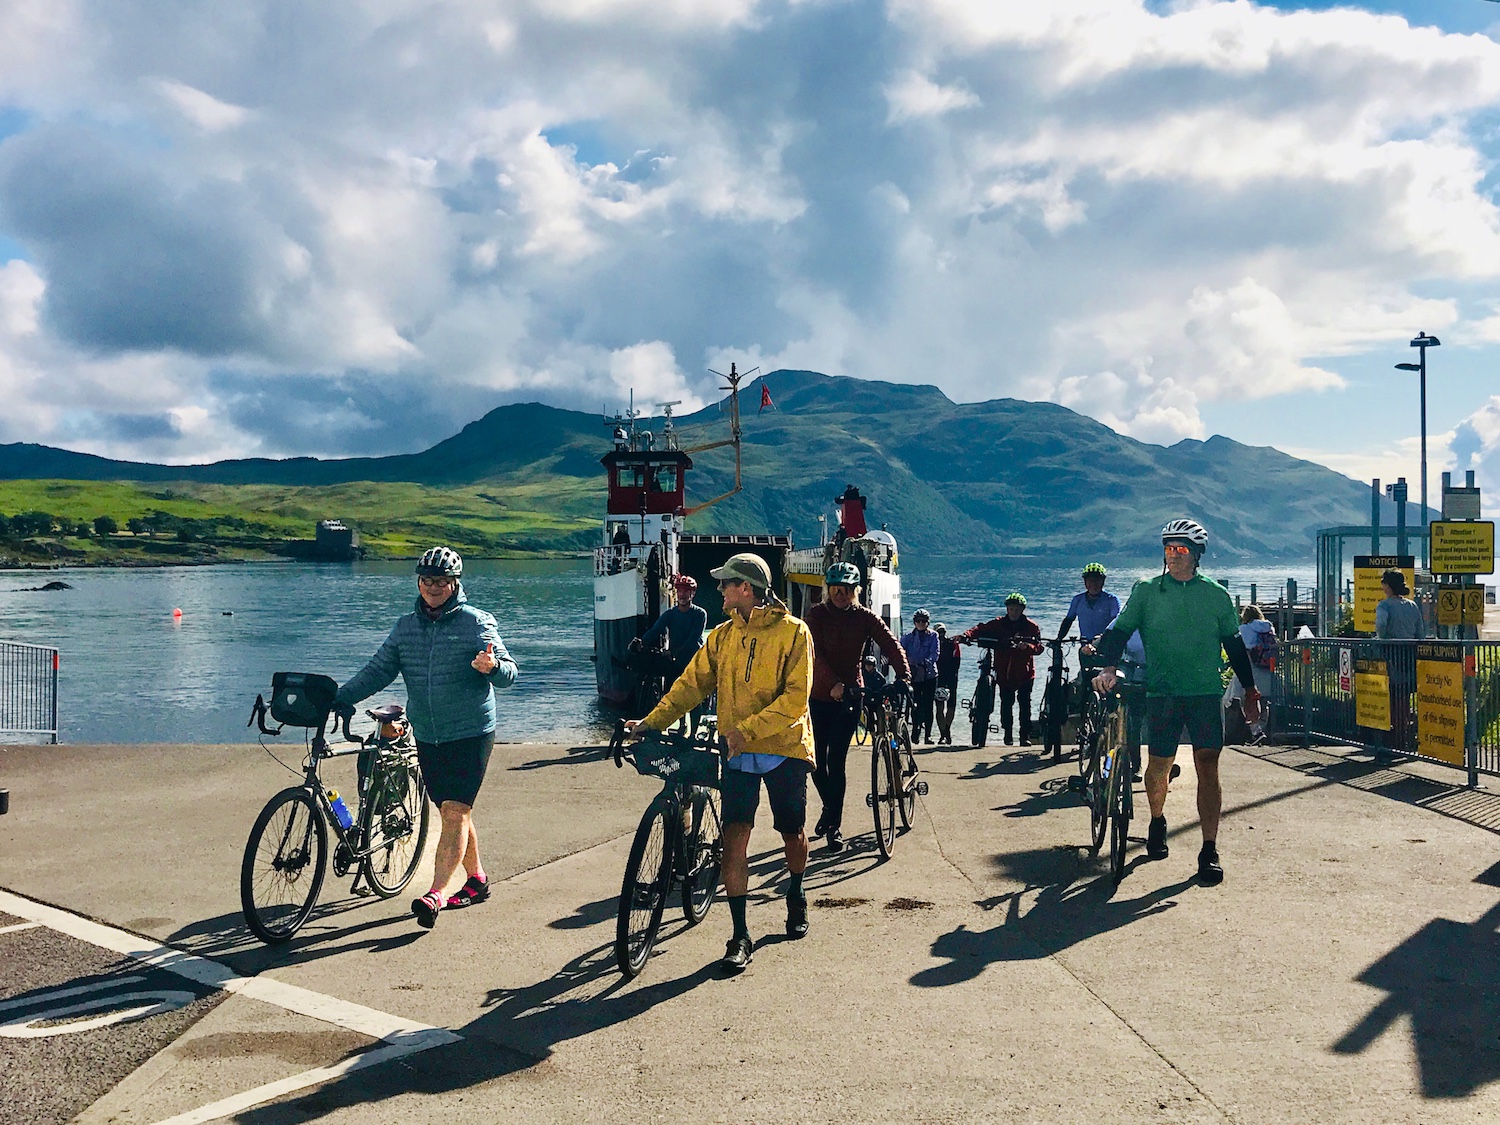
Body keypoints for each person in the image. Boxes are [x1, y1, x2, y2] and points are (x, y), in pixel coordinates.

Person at [626, 553, 814, 973]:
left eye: (726, 583)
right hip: (737, 752)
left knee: (792, 834)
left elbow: (795, 700)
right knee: (734, 840)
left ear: (745, 588)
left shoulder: (794, 633)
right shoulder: (722, 637)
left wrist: (747, 729)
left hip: (784, 748)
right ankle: (740, 934)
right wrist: (651, 721)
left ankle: (797, 891)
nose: (720, 590)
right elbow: (690, 685)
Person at [335, 547, 518, 929]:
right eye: (427, 580)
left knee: (455, 811)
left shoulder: (477, 623)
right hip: (429, 733)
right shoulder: (406, 628)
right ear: (419, 582)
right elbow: (377, 671)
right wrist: (338, 698)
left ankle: (435, 893)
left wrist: (493, 666)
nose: (433, 588)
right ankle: (478, 879)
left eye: (441, 581)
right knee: (454, 813)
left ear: (455, 584)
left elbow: (510, 674)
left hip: (471, 732)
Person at [1092, 519, 1260, 886]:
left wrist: (1249, 691)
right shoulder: (1148, 591)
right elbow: (1120, 631)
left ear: (1197, 554)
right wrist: (1107, 666)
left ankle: (1209, 849)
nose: (1172, 555)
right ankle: (1156, 819)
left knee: (1208, 766)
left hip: (1204, 692)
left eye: (1180, 549)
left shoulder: (1215, 595)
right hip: (1162, 692)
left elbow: (1233, 645)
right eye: (1168, 548)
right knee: (1159, 765)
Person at [804, 562, 911, 853]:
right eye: (836, 589)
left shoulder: (864, 617)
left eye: (847, 590)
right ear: (828, 590)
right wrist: (832, 683)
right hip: (819, 695)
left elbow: (890, 644)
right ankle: (829, 807)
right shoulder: (816, 615)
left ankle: (834, 825)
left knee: (836, 758)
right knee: (815, 760)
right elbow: (813, 653)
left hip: (852, 694)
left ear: (856, 591)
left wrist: (904, 676)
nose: (841, 594)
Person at [960, 593, 1044, 747]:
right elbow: (980, 628)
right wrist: (966, 635)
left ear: (1022, 610)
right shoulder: (999, 623)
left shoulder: (1031, 626)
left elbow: (1039, 648)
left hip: (1025, 673)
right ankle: (1008, 734)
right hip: (1004, 673)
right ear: (1007, 609)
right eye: (1011, 609)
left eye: (1016, 610)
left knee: (1025, 705)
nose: (1013, 612)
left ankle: (1024, 736)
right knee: (1006, 704)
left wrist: (1028, 647)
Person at [632, 573, 709, 730]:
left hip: (693, 659)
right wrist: (642, 641)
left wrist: (673, 652)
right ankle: (681, 726)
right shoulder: (670, 614)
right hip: (676, 660)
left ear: (692, 594)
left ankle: (693, 732)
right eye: (680, 591)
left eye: (686, 591)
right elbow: (656, 630)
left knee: (695, 697)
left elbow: (693, 639)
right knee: (674, 693)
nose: (682, 595)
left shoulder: (700, 614)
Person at [1058, 562, 1121, 712]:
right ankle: (1084, 711)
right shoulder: (1078, 600)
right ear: (1085, 582)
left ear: (1103, 582)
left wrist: (1103, 638)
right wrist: (1058, 639)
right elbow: (1068, 620)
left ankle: (1109, 710)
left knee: (1108, 677)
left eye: (1097, 580)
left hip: (1106, 645)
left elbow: (1117, 624)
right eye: (1090, 580)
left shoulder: (1111, 600)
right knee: (1087, 678)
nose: (1093, 584)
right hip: (1086, 646)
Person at [1375, 568, 1424, 749]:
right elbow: (1420, 632)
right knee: (1404, 695)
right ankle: (1404, 733)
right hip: (1409, 654)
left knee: (1393, 695)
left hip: (1391, 654)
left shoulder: (1384, 605)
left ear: (1387, 585)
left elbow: (1381, 625)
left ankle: (1395, 736)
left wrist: (1381, 639)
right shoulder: (1412, 606)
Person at [1225, 605, 1277, 745]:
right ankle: (1262, 730)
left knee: (1243, 699)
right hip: (1266, 668)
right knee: (1263, 700)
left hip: (1249, 668)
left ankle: (1256, 731)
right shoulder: (1269, 627)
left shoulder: (1244, 629)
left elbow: (1241, 648)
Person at [900, 609, 940, 745]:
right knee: (914, 705)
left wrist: (925, 662)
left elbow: (935, 653)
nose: (921, 623)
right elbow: (901, 652)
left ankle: (928, 735)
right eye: (918, 621)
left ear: (928, 623)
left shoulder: (933, 636)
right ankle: (915, 732)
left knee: (929, 705)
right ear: (914, 622)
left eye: (923, 621)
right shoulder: (907, 637)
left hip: (929, 675)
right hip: (913, 675)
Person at [934, 623, 961, 746]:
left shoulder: (952, 643)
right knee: (939, 706)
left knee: (951, 706)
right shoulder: (932, 644)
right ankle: (943, 733)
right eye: (939, 632)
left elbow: (957, 660)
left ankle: (946, 731)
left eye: (943, 632)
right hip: (938, 677)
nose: (942, 635)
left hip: (951, 677)